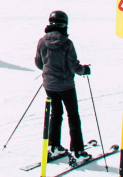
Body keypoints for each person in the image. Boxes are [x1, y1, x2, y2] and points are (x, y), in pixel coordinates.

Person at [34, 9, 92, 160]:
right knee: (73, 116)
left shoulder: (42, 41)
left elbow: (39, 64)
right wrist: (84, 70)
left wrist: (50, 70)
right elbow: (74, 67)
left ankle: (53, 146)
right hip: (66, 86)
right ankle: (78, 151)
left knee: (55, 114)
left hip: (49, 85)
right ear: (64, 25)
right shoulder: (67, 43)